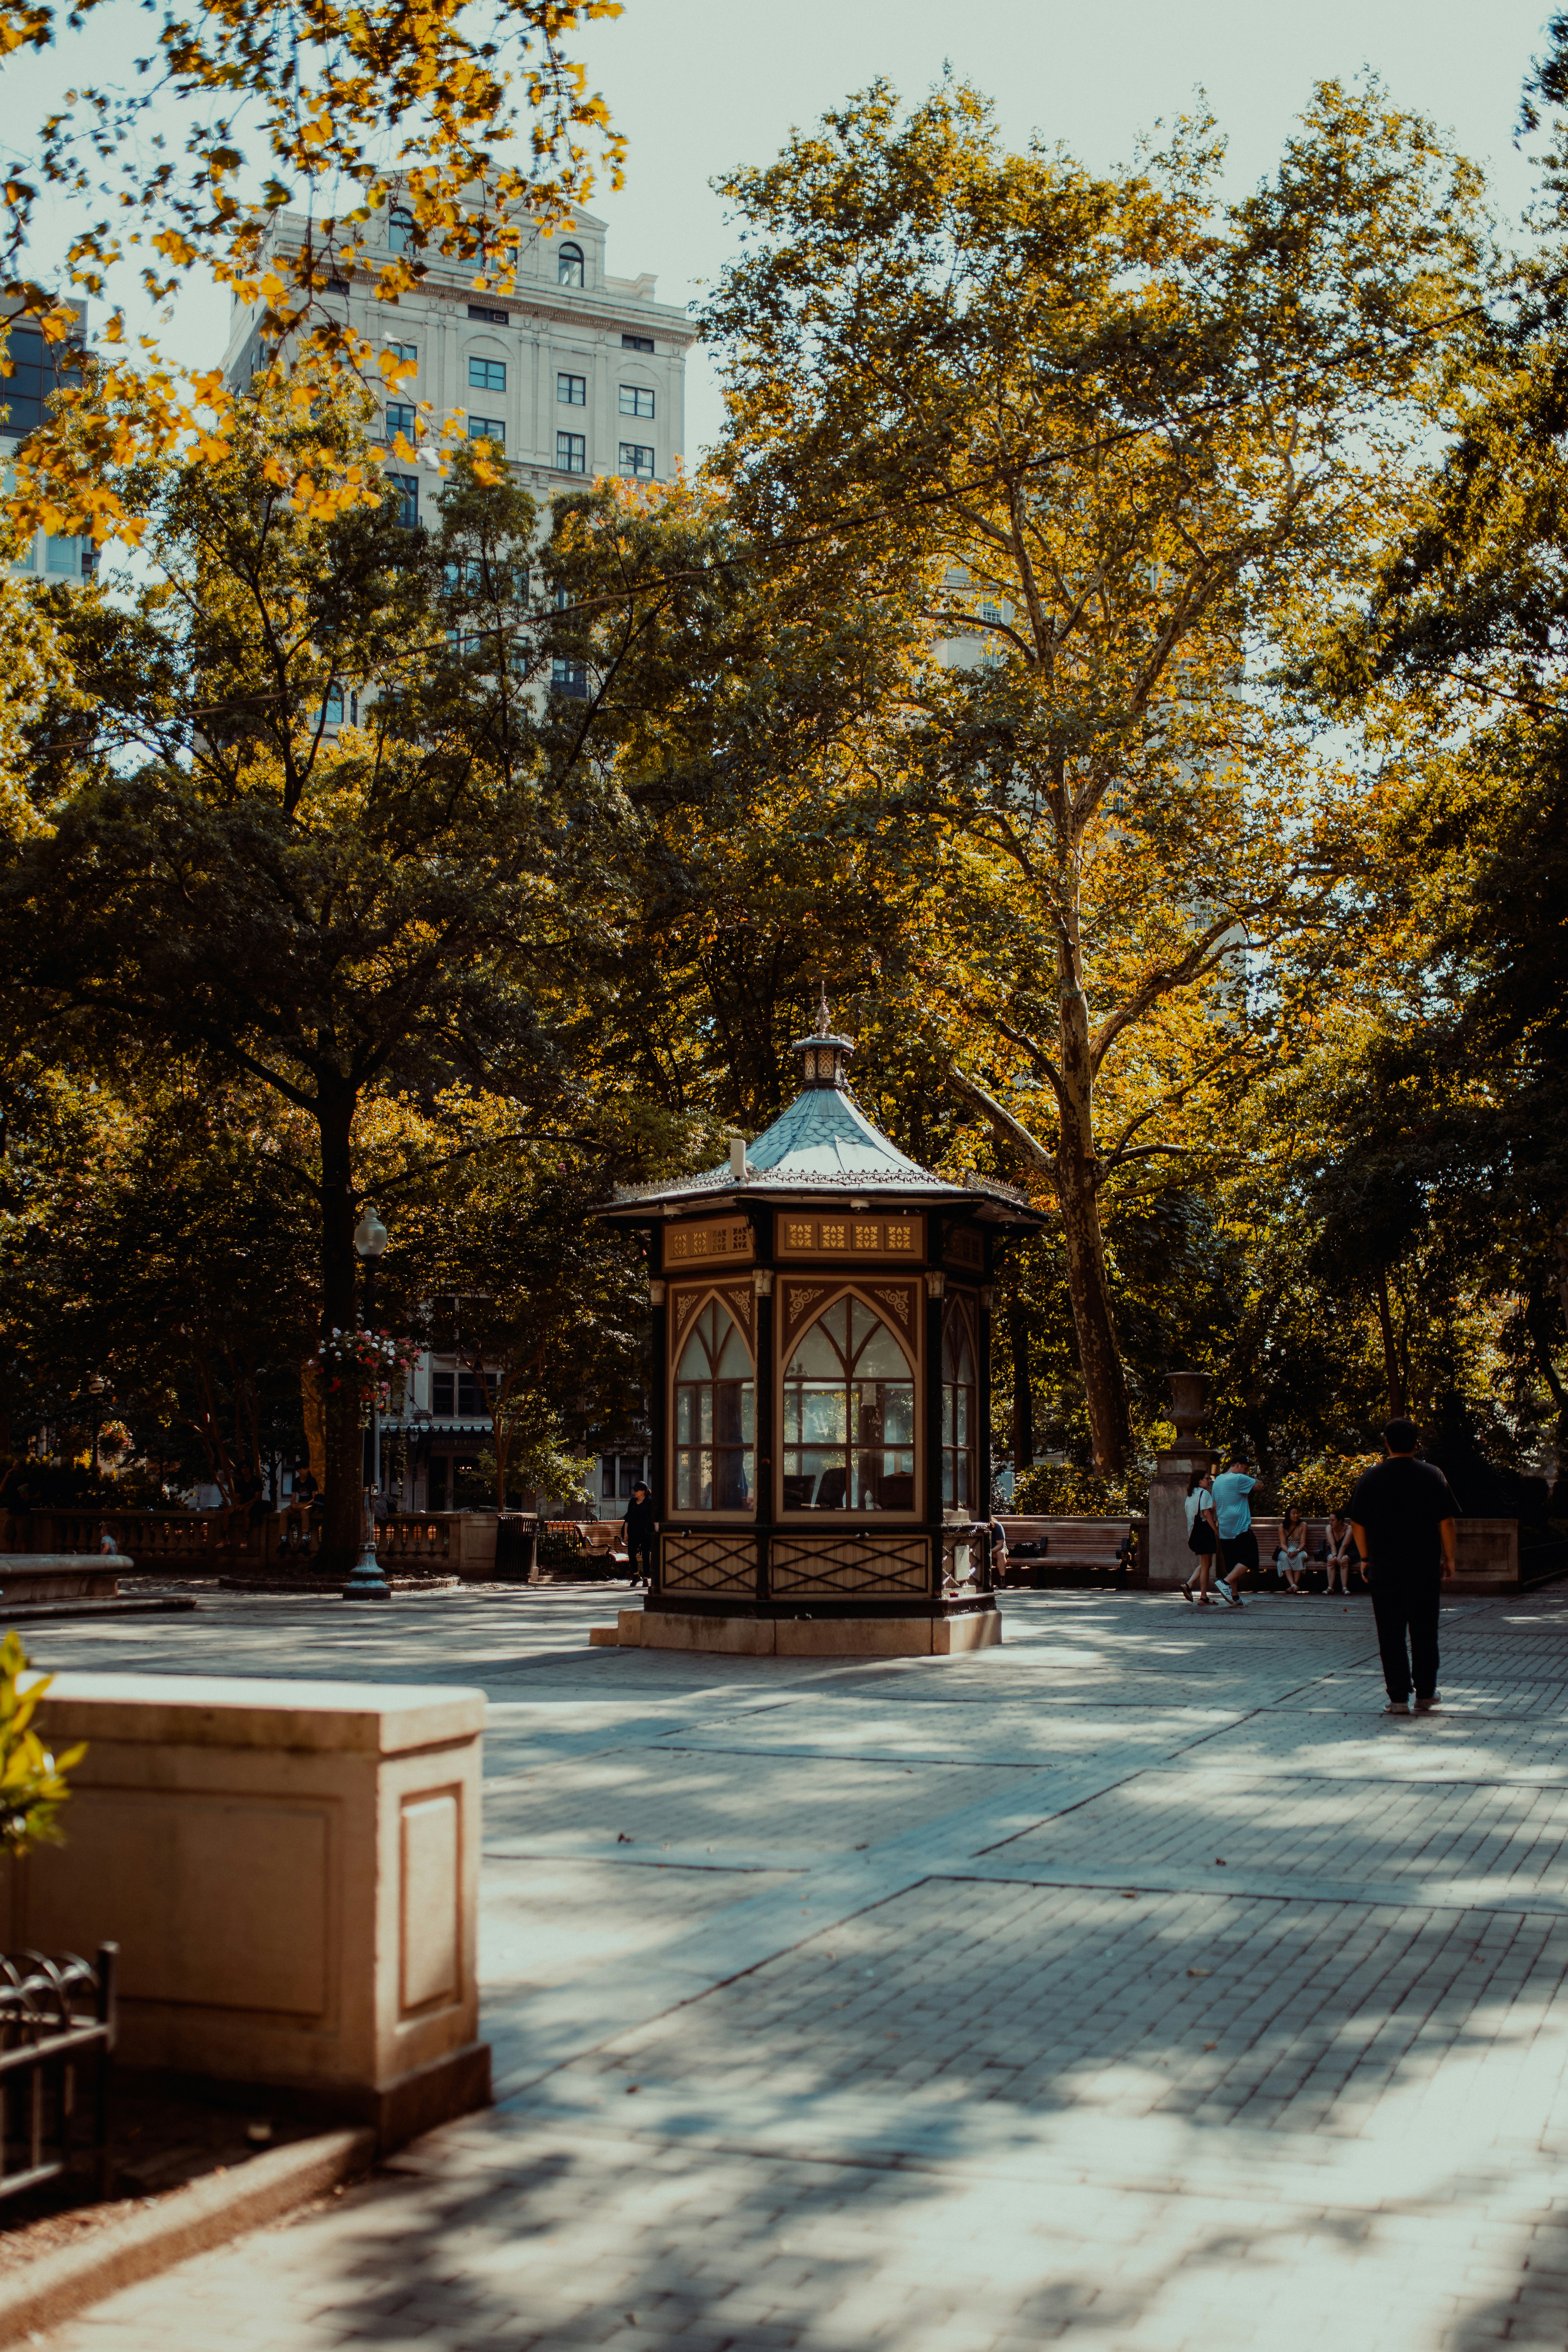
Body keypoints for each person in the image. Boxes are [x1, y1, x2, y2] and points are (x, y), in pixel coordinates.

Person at [1349, 1417, 1459, 1716]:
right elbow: (1446, 1521)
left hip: (1385, 1568)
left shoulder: (1370, 1477)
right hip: (1423, 1568)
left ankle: (1397, 1698)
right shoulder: (1433, 1475)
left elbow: (1357, 1522)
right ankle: (1425, 1693)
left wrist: (1366, 1558)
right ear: (1416, 1443)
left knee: (1390, 1633)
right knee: (1425, 1631)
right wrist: (1449, 1559)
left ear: (1386, 1442)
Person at [1211, 1453, 1257, 1608]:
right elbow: (1260, 1486)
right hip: (1241, 1528)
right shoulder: (1239, 1479)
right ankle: (1225, 1583)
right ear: (1237, 1465)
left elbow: (1215, 1507)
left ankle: (1235, 1597)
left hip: (1225, 1529)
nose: (1245, 1472)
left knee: (1233, 1565)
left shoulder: (1217, 1481)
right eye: (1245, 1468)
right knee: (1250, 1559)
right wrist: (1251, 1479)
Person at [1180, 1467, 1220, 1604]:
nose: (1209, 1481)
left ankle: (1191, 1585)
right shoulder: (1204, 1494)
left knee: (1206, 1564)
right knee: (1206, 1564)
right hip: (1205, 1532)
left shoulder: (1190, 1496)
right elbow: (1207, 1514)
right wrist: (1216, 1531)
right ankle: (1202, 1596)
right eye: (1207, 1478)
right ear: (1200, 1481)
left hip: (1194, 1533)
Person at [623, 1482, 656, 1588]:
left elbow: (655, 1517)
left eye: (637, 1490)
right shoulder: (633, 1502)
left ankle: (646, 1579)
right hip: (634, 1531)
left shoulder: (650, 1502)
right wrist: (626, 1533)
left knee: (646, 1555)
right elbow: (627, 1518)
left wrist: (656, 1529)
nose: (635, 1492)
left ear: (643, 1492)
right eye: (634, 1490)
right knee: (631, 1553)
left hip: (646, 1532)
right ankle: (636, 1575)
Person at [1275, 1504, 1309, 1594]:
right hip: (1286, 1549)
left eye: (1298, 1513)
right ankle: (1293, 1585)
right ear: (1288, 1515)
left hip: (1300, 1549)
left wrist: (1297, 1551)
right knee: (1285, 1557)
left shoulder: (1304, 1525)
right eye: (1294, 1513)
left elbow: (1303, 1543)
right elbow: (1283, 1544)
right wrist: (1289, 1552)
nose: (1296, 1516)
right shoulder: (1282, 1526)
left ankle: (1294, 1585)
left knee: (1300, 1557)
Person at [1323, 1510, 1358, 1595]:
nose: (1331, 1522)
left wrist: (1339, 1558)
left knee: (1344, 1560)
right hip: (1333, 1550)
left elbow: (1344, 1546)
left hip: (1349, 1551)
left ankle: (1345, 1588)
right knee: (1331, 1560)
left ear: (1340, 1521)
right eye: (1330, 1520)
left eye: (1333, 1520)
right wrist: (1335, 1557)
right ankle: (1330, 1587)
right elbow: (1332, 1545)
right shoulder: (1329, 1528)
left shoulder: (1349, 1528)